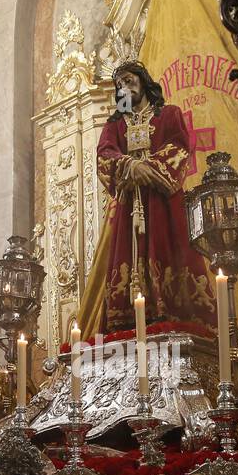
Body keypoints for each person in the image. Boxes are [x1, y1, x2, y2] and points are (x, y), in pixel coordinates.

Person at [87, 60, 216, 333]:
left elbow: (180, 146)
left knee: (171, 250)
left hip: (163, 204)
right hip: (128, 206)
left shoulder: (168, 114)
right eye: (119, 83)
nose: (124, 85)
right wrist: (129, 165)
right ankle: (130, 321)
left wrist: (148, 168)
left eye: (129, 79)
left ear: (143, 81)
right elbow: (104, 154)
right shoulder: (115, 125)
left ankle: (173, 315)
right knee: (125, 259)